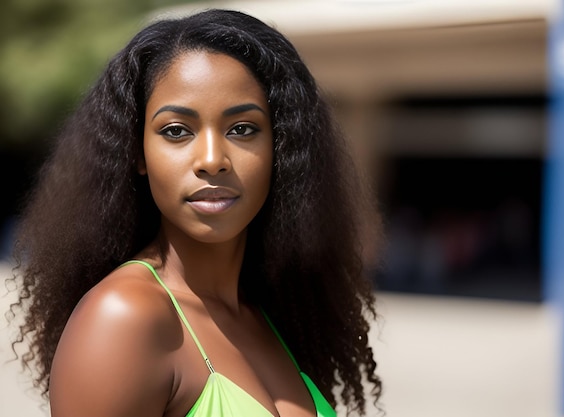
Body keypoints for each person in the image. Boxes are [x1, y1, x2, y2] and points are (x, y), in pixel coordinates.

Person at [8, 8, 383, 417]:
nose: (211, 160)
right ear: (138, 153)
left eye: (242, 128)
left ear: (281, 149)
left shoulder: (266, 314)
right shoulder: (125, 317)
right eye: (176, 131)